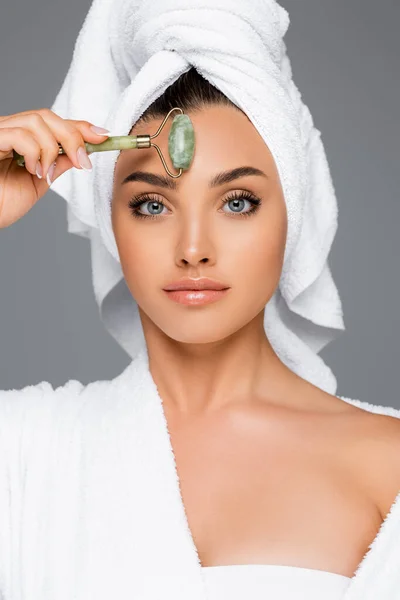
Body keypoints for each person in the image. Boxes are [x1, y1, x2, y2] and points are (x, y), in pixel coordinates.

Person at [0, 30, 400, 600]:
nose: (193, 248)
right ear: (112, 224)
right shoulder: (25, 452)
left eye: (238, 202)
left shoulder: (390, 465)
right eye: (152, 205)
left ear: (294, 214)